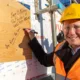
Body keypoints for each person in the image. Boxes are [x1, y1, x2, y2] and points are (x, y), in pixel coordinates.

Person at [24, 3, 80, 80]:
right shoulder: (60, 48)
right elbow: (44, 59)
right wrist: (32, 38)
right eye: (67, 27)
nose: (71, 32)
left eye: (77, 27)